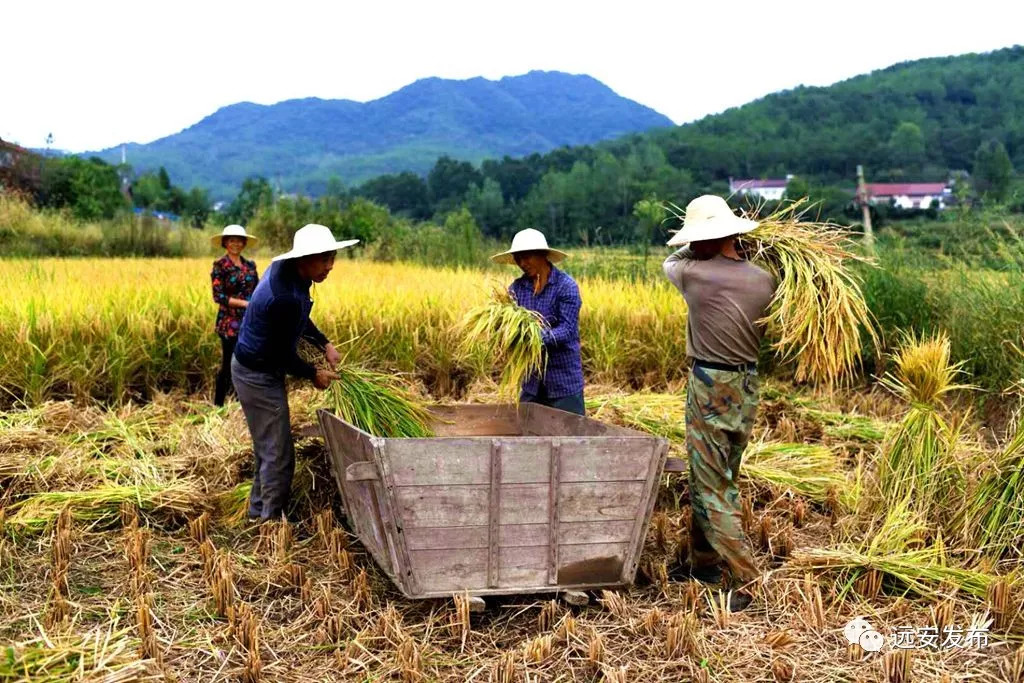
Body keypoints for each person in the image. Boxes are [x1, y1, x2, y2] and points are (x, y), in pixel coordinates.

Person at [662, 195, 777, 612]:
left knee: (712, 484)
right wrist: (736, 244)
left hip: (710, 383)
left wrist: (695, 244)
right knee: (716, 471)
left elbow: (668, 261)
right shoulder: (765, 279)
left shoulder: (693, 274)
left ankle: (746, 579)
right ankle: (704, 563)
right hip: (747, 385)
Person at [232, 224, 358, 522]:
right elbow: (280, 352)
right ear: (303, 258)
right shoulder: (283, 295)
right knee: (278, 453)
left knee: (269, 447)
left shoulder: (291, 274)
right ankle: (269, 523)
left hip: (260, 366)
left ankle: (256, 514)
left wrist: (324, 343)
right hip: (257, 373)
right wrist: (313, 373)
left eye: (332, 258)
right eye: (323, 259)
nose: (330, 266)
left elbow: (300, 318)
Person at [491, 228, 585, 415]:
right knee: (527, 435)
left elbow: (566, 330)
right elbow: (506, 324)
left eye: (527, 257)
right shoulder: (516, 289)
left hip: (562, 381)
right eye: (518, 259)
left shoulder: (566, 287)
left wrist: (532, 337)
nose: (522, 263)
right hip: (531, 381)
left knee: (571, 438)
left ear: (542, 255)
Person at [210, 225, 260, 406]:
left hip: (249, 322)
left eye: (239, 240)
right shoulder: (220, 266)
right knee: (228, 363)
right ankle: (219, 405)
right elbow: (219, 296)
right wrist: (245, 304)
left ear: (244, 243)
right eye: (232, 240)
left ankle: (240, 402)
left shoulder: (250, 266)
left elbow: (258, 290)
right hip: (228, 323)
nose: (236, 244)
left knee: (245, 364)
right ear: (225, 243)